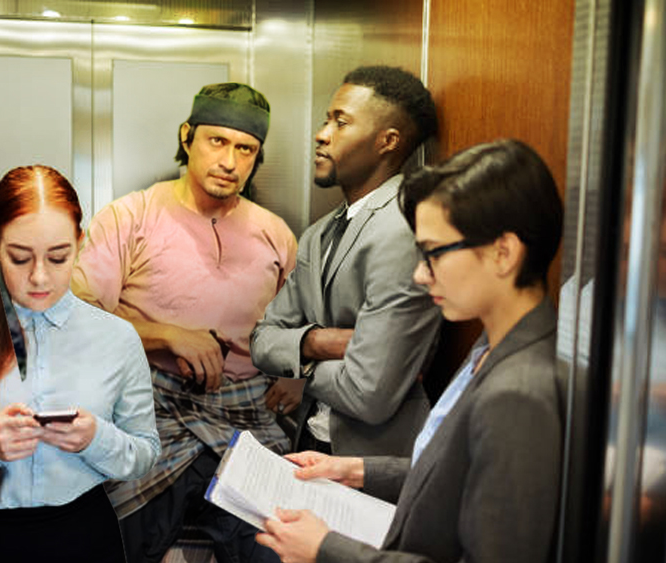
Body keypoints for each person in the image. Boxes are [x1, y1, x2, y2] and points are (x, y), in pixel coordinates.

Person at [256, 139, 565, 563]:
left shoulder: (521, 393)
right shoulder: (493, 346)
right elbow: (457, 472)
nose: (421, 274)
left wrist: (326, 549)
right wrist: (355, 471)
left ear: (503, 253)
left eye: (433, 254)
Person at [71, 82, 297, 563]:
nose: (230, 161)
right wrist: (167, 334)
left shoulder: (275, 234)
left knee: (277, 550)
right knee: (108, 543)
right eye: (217, 141)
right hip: (148, 413)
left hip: (244, 420)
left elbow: (296, 328)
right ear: (187, 136)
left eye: (246, 149)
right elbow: (75, 315)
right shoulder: (131, 216)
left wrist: (297, 378)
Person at [0, 165, 160, 562]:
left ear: (80, 242)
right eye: (20, 258)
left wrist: (97, 439)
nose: (39, 277)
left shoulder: (117, 338)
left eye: (59, 258)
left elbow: (144, 452)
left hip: (87, 537)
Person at [250, 66, 442, 456]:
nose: (322, 134)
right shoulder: (320, 233)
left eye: (341, 122)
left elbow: (368, 391)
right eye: (325, 120)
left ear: (387, 141)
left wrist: (298, 364)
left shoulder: (402, 230)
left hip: (372, 459)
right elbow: (261, 341)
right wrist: (321, 341)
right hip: (312, 442)